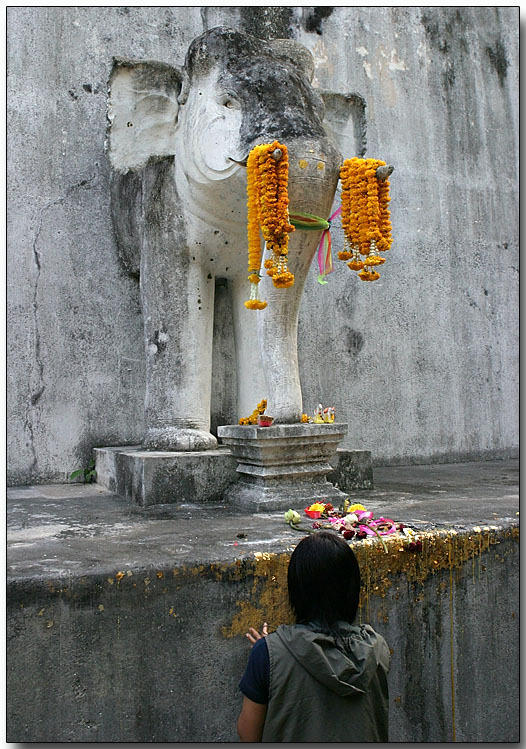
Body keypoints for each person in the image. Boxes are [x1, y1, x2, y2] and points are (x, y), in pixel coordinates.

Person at [237, 530, 390, 742]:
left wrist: (268, 652)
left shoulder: (266, 655)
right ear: (352, 590)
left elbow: (248, 735)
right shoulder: (377, 648)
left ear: (297, 590)